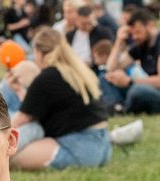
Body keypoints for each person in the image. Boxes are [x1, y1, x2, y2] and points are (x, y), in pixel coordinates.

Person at [10, 28, 111, 170]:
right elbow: (35, 107)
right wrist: (20, 90)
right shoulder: (77, 70)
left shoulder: (47, 77)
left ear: (38, 52)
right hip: (103, 145)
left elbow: (22, 118)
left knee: (8, 159)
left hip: (79, 147)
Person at [105, 8, 160, 114]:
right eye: (132, 34)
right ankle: (116, 106)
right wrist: (119, 42)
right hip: (150, 90)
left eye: (138, 32)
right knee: (105, 77)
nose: (135, 37)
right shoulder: (141, 45)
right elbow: (110, 69)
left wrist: (129, 81)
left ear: (150, 25)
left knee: (138, 91)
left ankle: (123, 108)